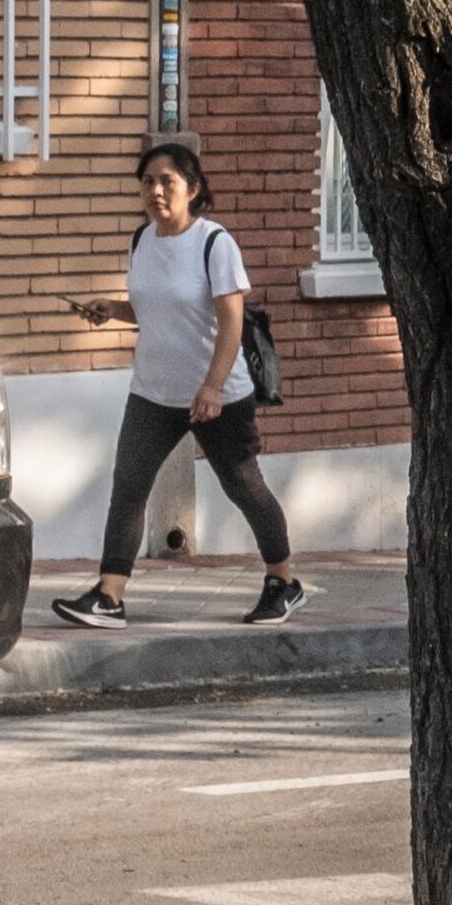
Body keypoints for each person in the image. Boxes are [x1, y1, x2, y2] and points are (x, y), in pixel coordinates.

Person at [54, 143, 305, 627]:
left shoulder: (215, 243)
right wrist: (112, 308)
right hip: (153, 391)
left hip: (218, 396)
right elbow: (156, 309)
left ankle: (283, 580)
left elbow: (230, 322)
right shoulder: (142, 240)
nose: (155, 191)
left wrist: (212, 387)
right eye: (147, 181)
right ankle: (110, 596)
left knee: (244, 487)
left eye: (166, 181)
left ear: (193, 189)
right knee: (128, 488)